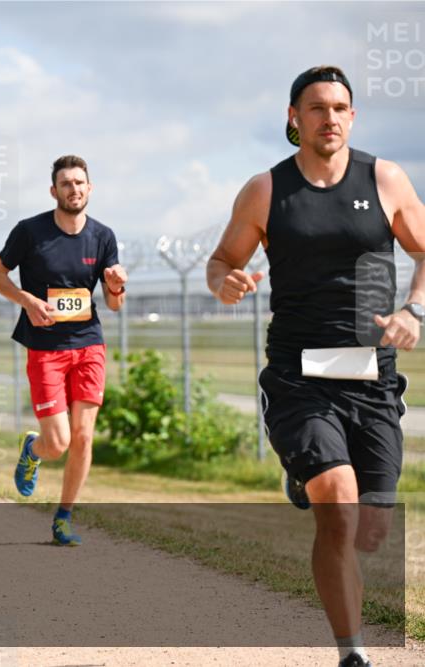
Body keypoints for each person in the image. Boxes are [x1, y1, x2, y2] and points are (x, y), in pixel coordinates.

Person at [206, 66, 424, 667]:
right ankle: (352, 653)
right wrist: (225, 280)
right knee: (338, 504)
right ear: (293, 118)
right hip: (298, 376)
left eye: (340, 108)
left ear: (352, 117)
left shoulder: (384, 178)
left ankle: (303, 474)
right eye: (317, 108)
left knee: (372, 530)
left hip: (371, 375)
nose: (330, 118)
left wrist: (415, 310)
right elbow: (222, 259)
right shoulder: (266, 190)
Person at [0, 154, 127, 547]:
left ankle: (64, 517)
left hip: (88, 344)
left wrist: (116, 285)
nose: (74, 189)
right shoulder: (29, 232)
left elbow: (114, 304)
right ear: (54, 191)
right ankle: (33, 449)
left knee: (84, 438)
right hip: (45, 348)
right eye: (66, 183)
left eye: (80, 183)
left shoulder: (103, 236)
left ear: (90, 188)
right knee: (59, 443)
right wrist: (28, 301)